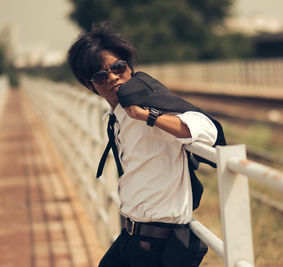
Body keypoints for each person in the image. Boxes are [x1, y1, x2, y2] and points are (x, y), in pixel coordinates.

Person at [67, 22, 218, 267]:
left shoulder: (148, 104)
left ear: (129, 66)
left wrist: (148, 116)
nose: (114, 77)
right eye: (101, 75)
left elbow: (207, 130)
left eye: (118, 67)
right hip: (129, 236)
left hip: (155, 244)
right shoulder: (116, 117)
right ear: (90, 85)